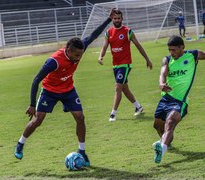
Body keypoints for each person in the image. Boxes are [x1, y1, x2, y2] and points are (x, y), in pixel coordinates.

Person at [14, 8, 117, 166]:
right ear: (68, 51)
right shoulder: (53, 61)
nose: (78, 58)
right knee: (38, 120)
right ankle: (21, 143)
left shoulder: (79, 48)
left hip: (68, 89)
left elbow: (94, 35)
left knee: (80, 118)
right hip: (49, 91)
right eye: (76, 55)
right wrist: (32, 104)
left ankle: (82, 151)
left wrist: (109, 20)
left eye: (81, 55)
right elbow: (36, 80)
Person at [153, 35, 205, 164]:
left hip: (180, 101)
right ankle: (164, 142)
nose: (172, 52)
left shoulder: (193, 55)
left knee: (170, 122)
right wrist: (161, 83)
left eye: (174, 50)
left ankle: (162, 150)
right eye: (170, 50)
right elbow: (163, 72)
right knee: (158, 126)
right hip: (165, 99)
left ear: (182, 47)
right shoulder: (167, 59)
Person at [98, 9, 153, 122]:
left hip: (125, 64)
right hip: (115, 66)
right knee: (124, 88)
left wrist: (147, 59)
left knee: (118, 87)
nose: (117, 20)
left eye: (119, 18)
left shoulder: (128, 31)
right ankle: (138, 106)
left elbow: (138, 45)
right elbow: (104, 47)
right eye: (115, 18)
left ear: (122, 19)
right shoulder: (108, 33)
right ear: (112, 19)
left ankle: (113, 114)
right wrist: (101, 56)